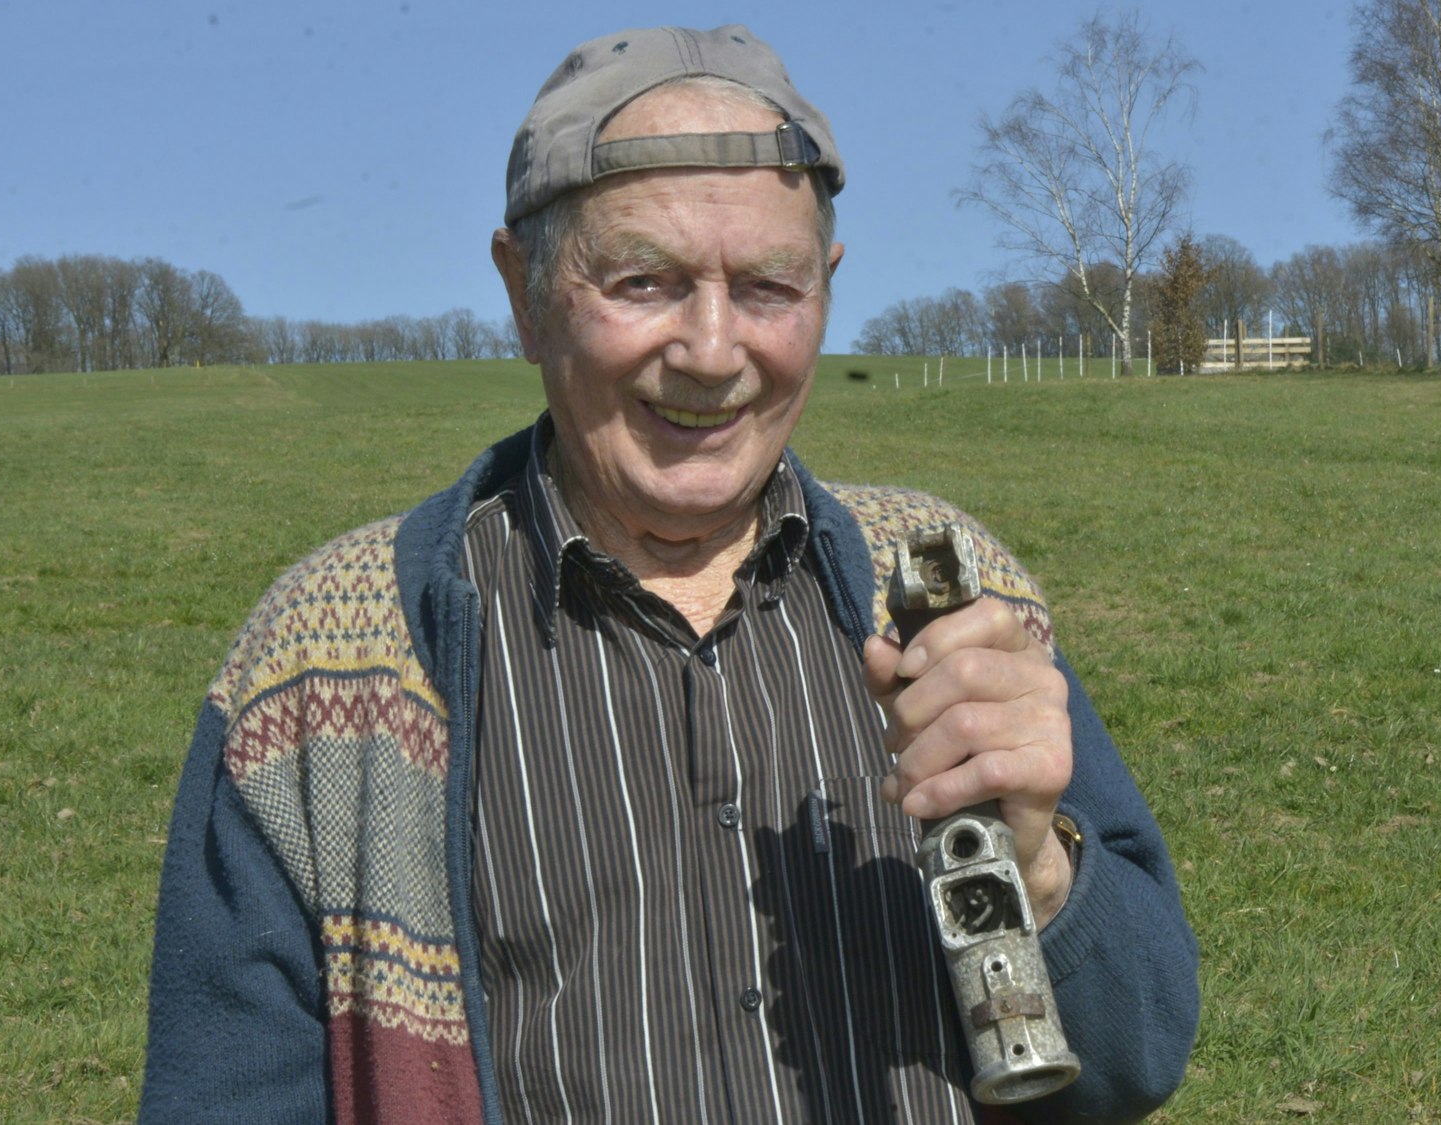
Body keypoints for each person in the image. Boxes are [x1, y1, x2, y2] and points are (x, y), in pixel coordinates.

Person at [140, 24, 1197, 1124]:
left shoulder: (950, 594)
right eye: (644, 281)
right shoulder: (326, 663)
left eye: (767, 287)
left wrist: (1035, 868)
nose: (710, 349)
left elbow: (1141, 1049)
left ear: (826, 288)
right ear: (524, 291)